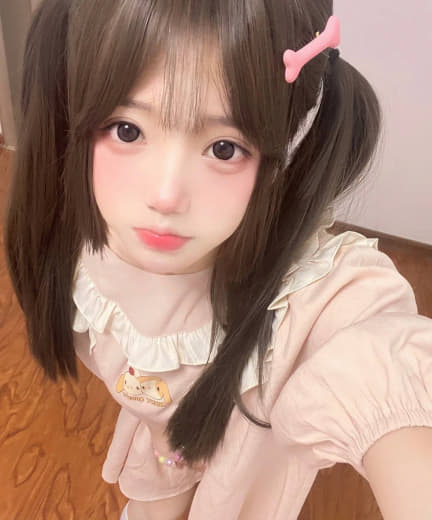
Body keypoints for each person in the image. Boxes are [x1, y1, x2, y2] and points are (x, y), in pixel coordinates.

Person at [4, 0, 432, 519]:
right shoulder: (80, 236)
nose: (166, 196)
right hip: (164, 451)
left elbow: (381, 359)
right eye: (127, 130)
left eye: (224, 148)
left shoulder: (306, 299)